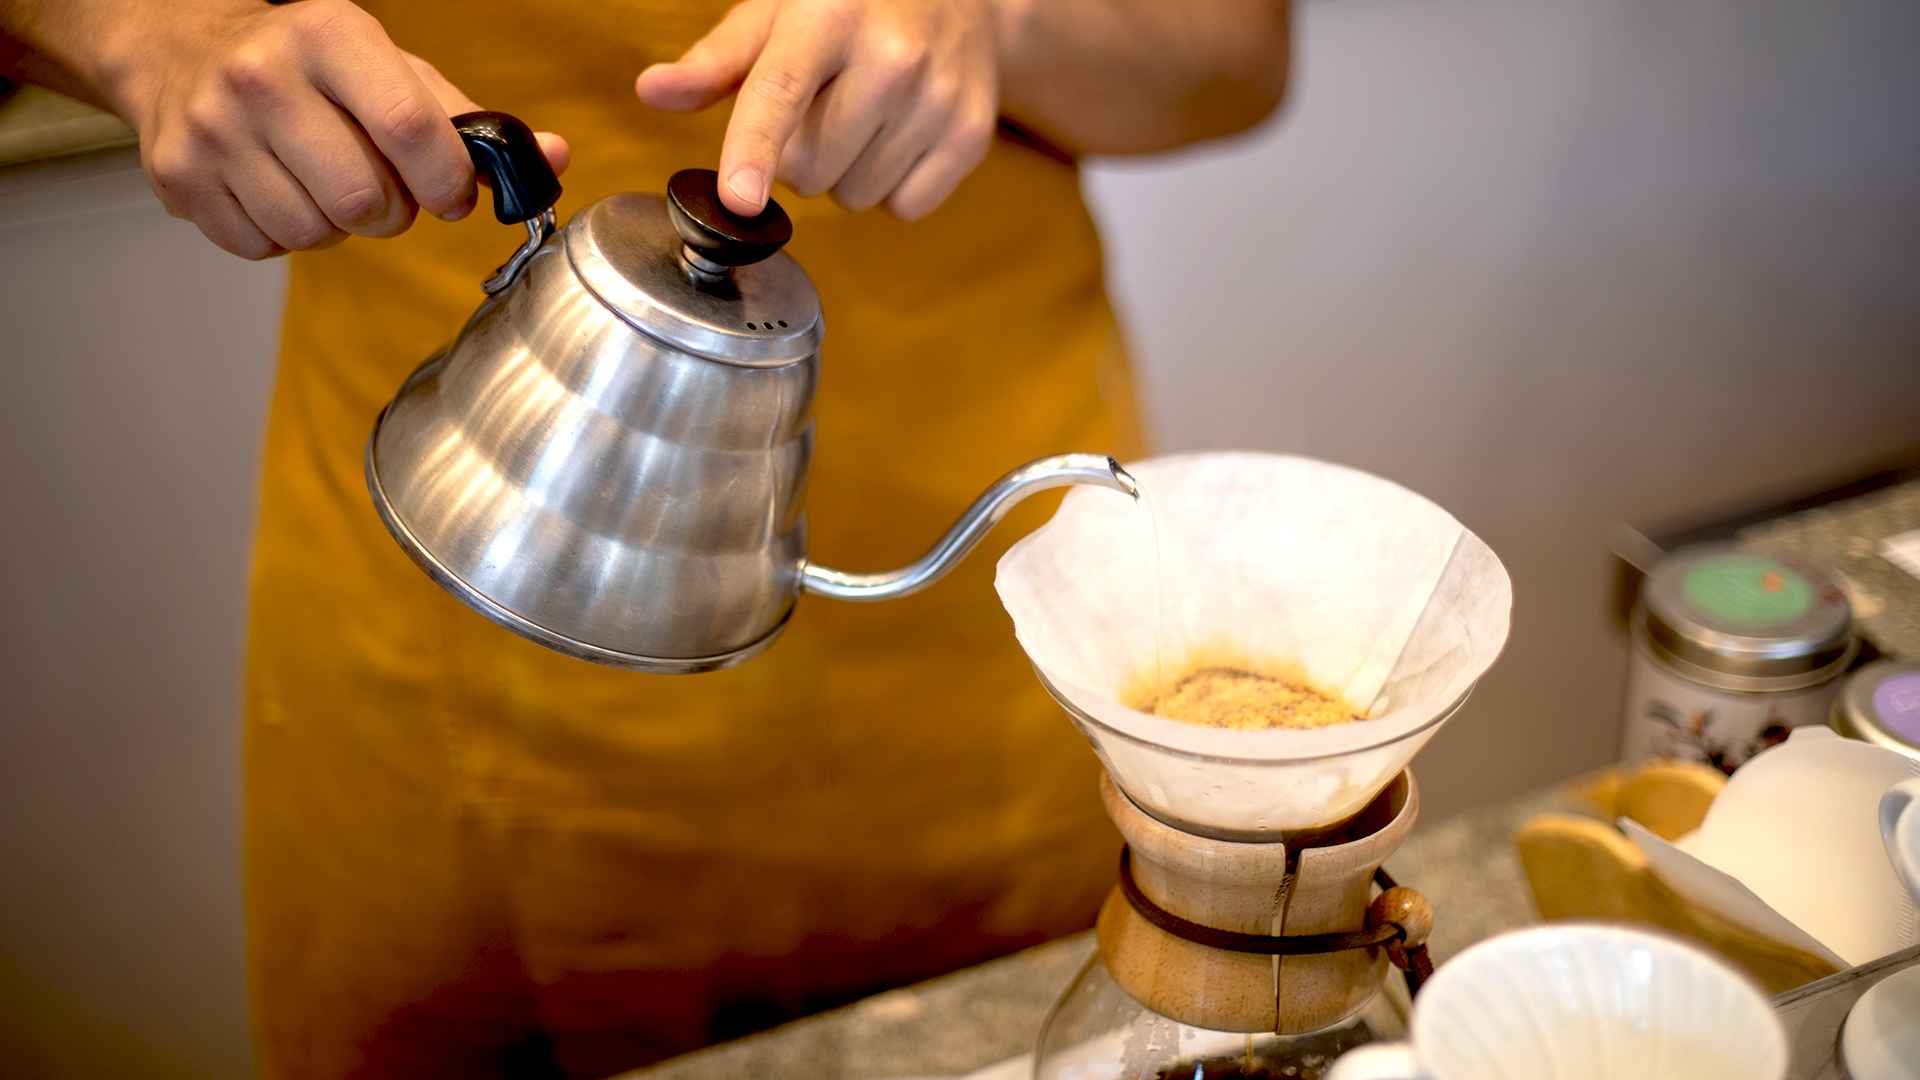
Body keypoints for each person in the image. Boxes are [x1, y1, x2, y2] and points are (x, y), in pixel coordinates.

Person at [1, 1, 1290, 1075]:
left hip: (981, 678)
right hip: (460, 610)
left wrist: (995, 20)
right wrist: (150, 36)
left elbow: (1238, 50)